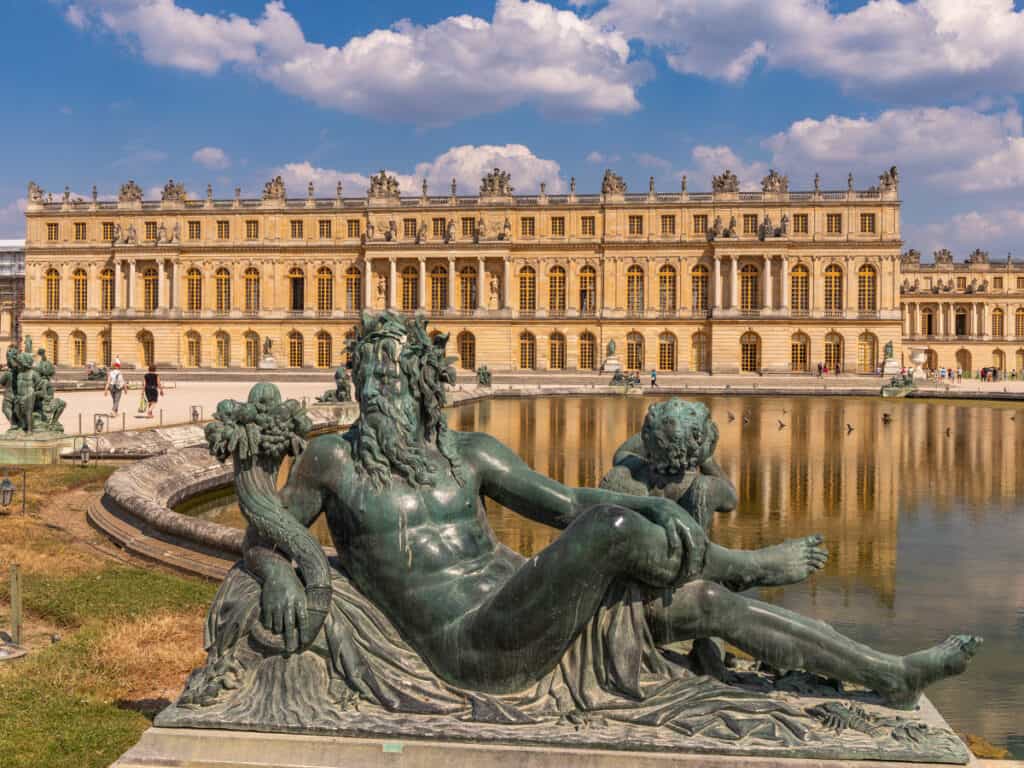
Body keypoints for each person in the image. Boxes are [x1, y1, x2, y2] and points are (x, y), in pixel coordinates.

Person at [205, 312, 980, 712]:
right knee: (615, 531)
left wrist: (649, 500)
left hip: (519, 599)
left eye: (392, 380)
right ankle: (745, 565)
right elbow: (266, 532)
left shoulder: (469, 454)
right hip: (470, 646)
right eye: (368, 380)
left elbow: (569, 500)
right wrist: (281, 569)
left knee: (694, 597)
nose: (377, 394)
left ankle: (891, 673)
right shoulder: (332, 459)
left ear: (422, 386)